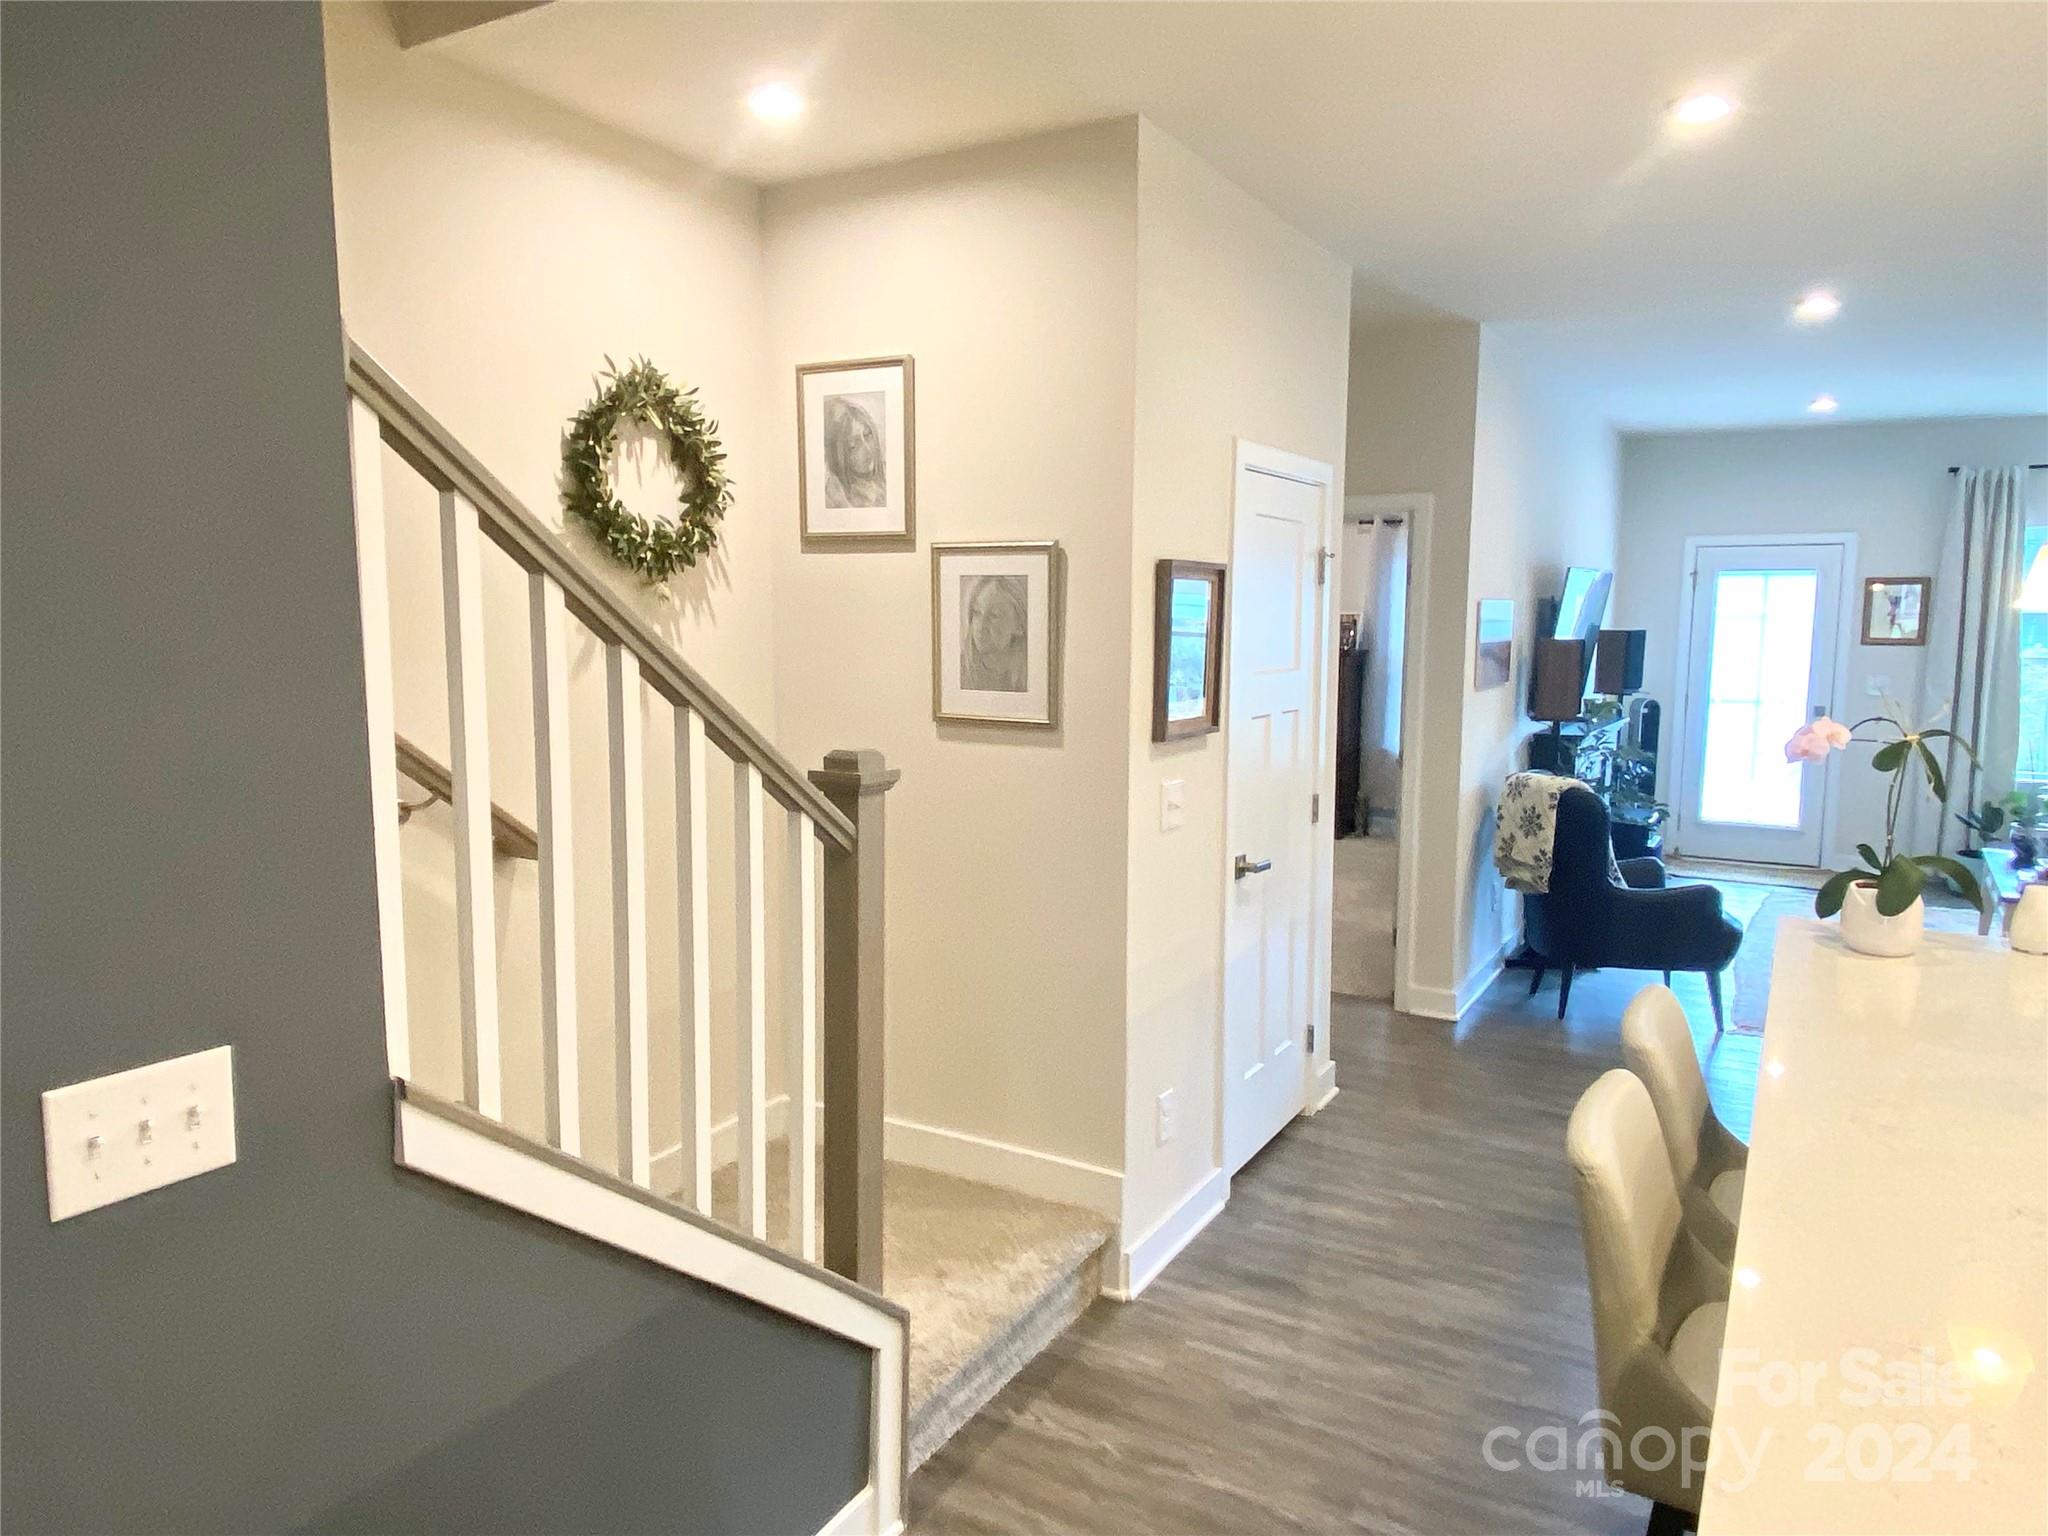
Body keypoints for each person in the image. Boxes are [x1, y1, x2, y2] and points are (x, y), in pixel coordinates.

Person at [961, 575, 1028, 693]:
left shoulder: (1030, 673)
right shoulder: (961, 670)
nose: (981, 626)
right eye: (977, 612)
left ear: (1018, 625)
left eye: (994, 616)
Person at [821, 393, 886, 509]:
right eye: (853, 445)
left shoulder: (888, 477)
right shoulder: (835, 497)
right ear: (839, 456)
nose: (867, 449)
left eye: (867, 435)